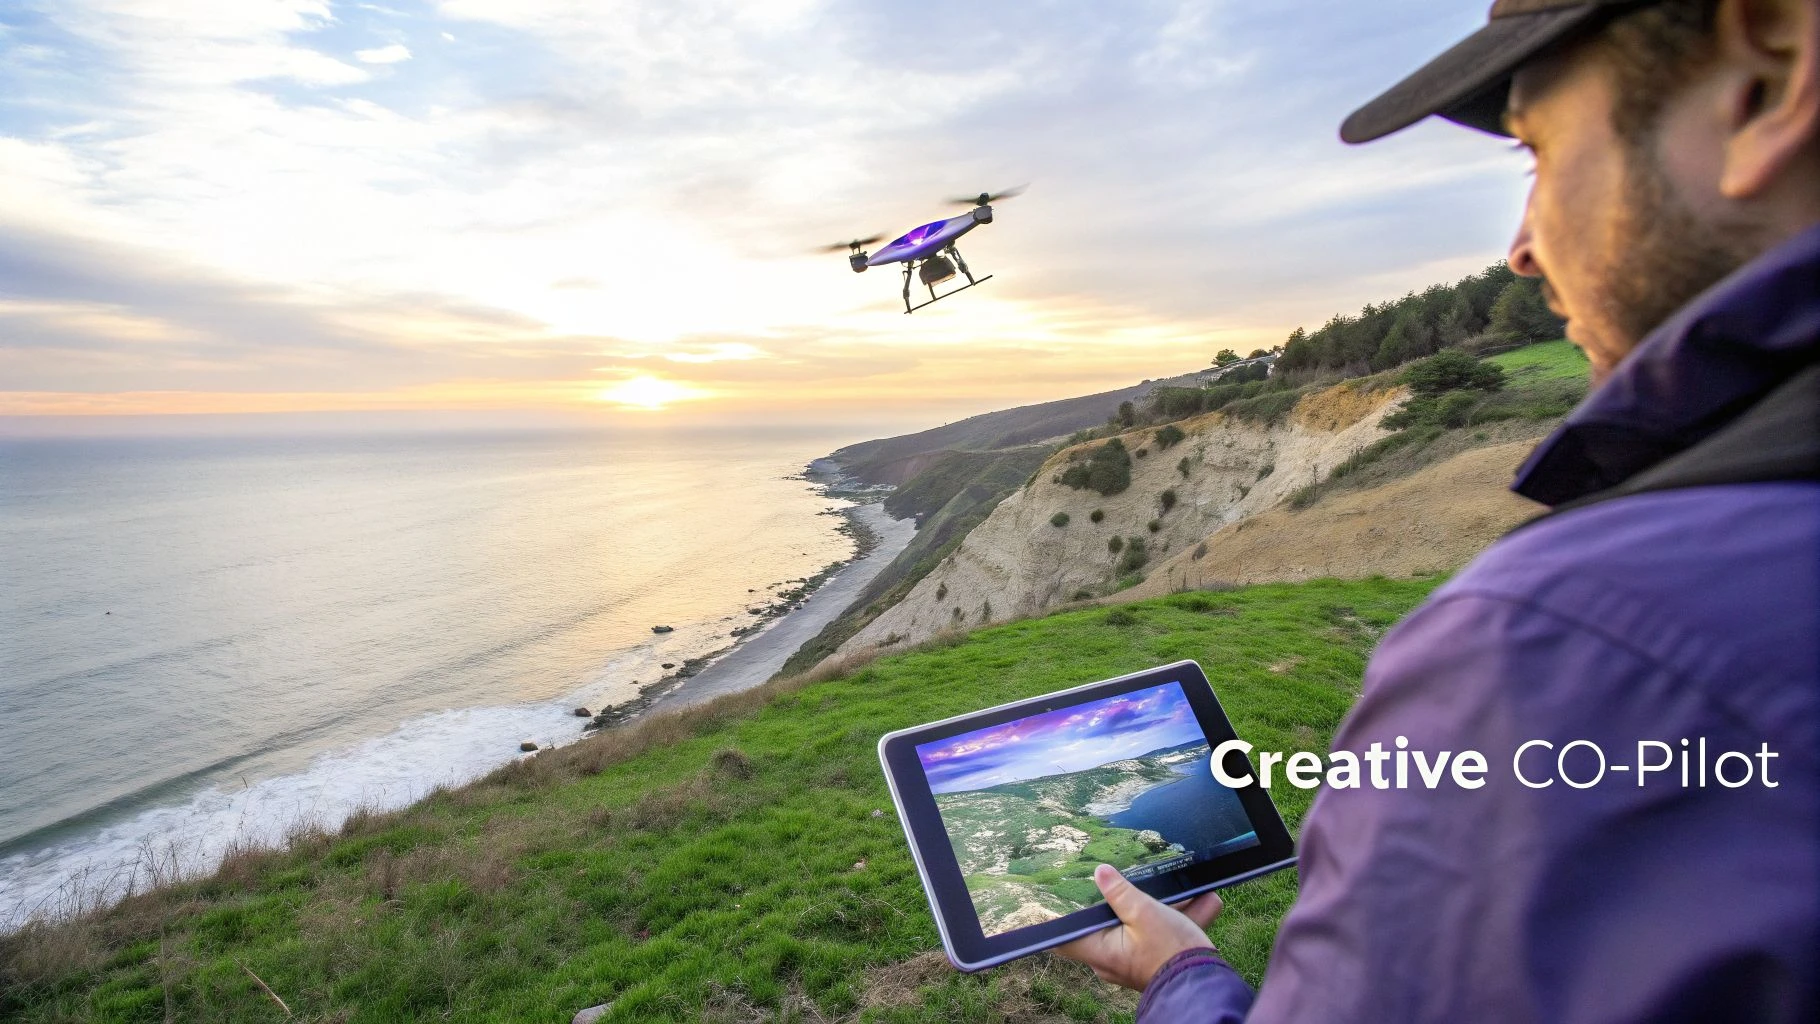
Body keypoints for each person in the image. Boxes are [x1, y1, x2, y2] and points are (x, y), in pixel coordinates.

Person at [1056, 1, 1820, 1020]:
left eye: (1536, 153)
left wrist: (1182, 980)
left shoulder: (1558, 643)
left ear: (1768, 71)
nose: (1517, 247)